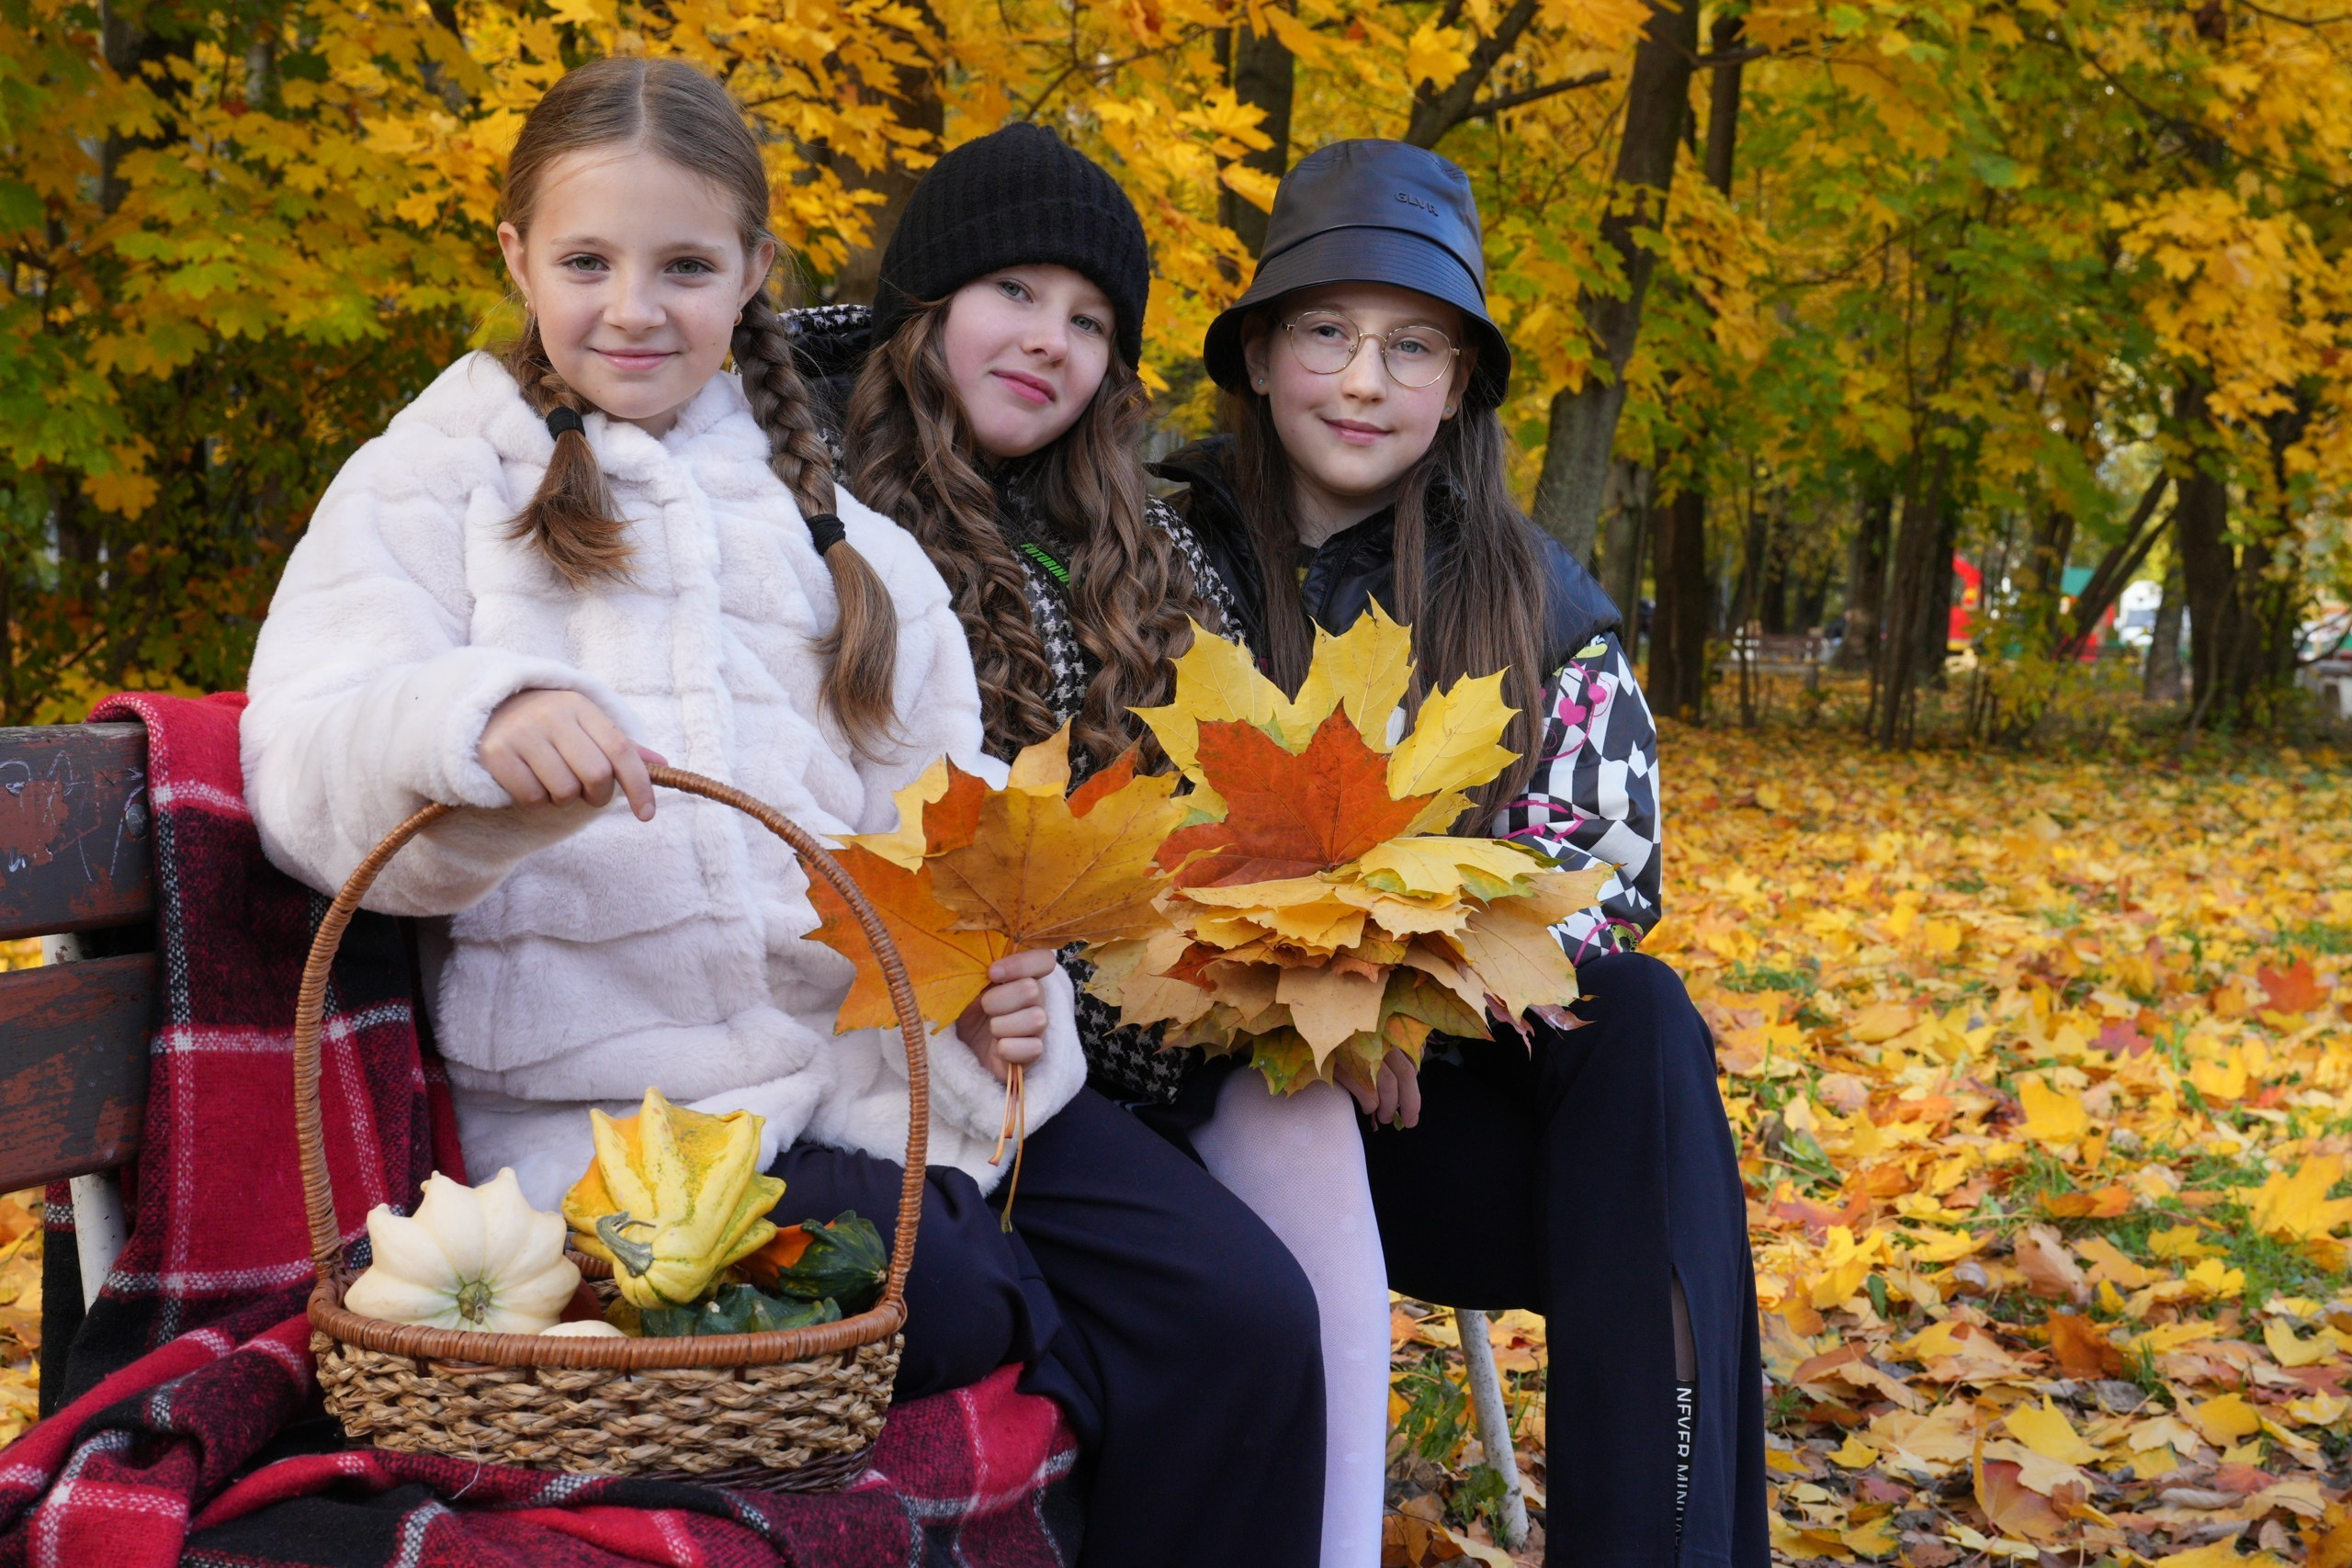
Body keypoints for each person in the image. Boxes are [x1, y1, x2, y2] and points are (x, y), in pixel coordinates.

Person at [240, 60, 1322, 1568]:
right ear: (514, 259)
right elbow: (300, 764)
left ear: (753, 273)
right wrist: (474, 723)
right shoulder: (431, 489)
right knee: (944, 1302)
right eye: (588, 262)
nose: (636, 307)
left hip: (896, 1086)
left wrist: (1000, 996)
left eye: (686, 266)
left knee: (1240, 1311)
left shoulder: (851, 548)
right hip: (640, 1128)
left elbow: (952, 849)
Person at [1159, 138, 1771, 1566]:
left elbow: (1607, 874)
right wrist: (1305, 1013)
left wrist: (1399, 1005)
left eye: (1412, 345)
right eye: (1326, 331)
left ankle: (1657, 1539)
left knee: (1646, 1026)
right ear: (1258, 353)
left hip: (1437, 1129)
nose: (1364, 380)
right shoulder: (1156, 554)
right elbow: (1104, 842)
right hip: (1191, 1108)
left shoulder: (1539, 605)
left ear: (1462, 384)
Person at [793, 121, 1374, 1567]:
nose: (1051, 342)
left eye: (1091, 320)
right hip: (892, 1049)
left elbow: (1243, 811)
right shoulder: (809, 509)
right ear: (924, 304)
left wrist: (1309, 973)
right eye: (1014, 293)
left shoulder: (1142, 544)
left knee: (1249, 1308)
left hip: (1111, 1047)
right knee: (1174, 1306)